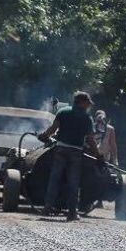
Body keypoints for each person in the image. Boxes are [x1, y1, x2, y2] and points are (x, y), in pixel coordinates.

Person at [38, 91, 101, 222]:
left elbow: (53, 129)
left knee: (54, 179)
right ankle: (72, 213)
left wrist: (44, 136)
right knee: (73, 183)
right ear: (82, 102)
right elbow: (90, 139)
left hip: (60, 149)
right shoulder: (86, 118)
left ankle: (47, 208)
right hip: (76, 153)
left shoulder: (63, 112)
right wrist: (98, 154)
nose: (89, 106)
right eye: (88, 103)